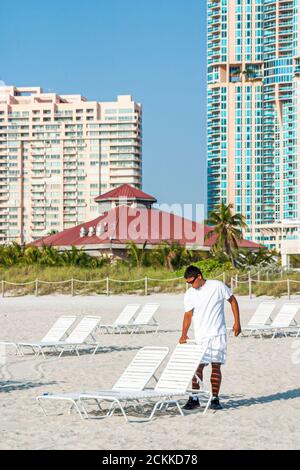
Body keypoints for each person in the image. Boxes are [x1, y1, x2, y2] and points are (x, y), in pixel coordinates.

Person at [179, 265, 241, 411]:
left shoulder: (217, 286)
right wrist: (183, 334)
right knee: (197, 367)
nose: (190, 285)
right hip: (200, 336)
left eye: (191, 282)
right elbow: (188, 315)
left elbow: (232, 301)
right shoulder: (189, 294)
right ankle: (194, 398)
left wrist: (237, 322)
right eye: (188, 283)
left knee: (216, 366)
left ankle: (215, 398)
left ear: (199, 276)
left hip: (218, 334)